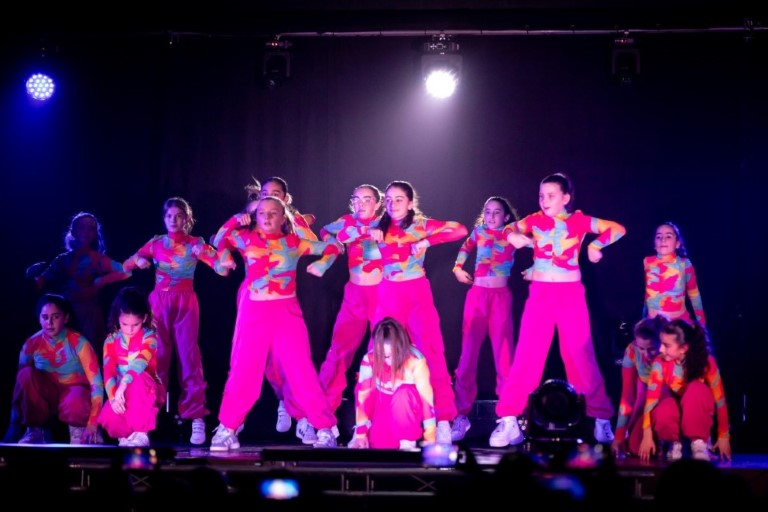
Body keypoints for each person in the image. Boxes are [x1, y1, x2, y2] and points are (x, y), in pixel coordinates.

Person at [491, 172, 625, 447]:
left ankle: (601, 418)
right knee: (527, 356)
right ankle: (509, 419)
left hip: (570, 296)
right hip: (540, 296)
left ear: (565, 198)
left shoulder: (579, 221)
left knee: (581, 356)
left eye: (551, 195)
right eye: (541, 195)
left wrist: (596, 245)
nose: (544, 200)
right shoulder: (534, 220)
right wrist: (513, 235)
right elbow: (506, 229)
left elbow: (618, 228)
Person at [339, 180, 468, 444]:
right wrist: (368, 232)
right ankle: (364, 427)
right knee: (376, 356)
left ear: (410, 203)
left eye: (399, 199)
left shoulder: (420, 225)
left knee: (432, 353)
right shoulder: (379, 226)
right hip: (389, 294)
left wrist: (427, 242)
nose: (393, 204)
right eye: (388, 199)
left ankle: (443, 420)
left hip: (417, 294)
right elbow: (338, 235)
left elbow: (460, 229)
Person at [209, 196, 342, 450]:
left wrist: (323, 265)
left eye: (273, 213)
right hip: (254, 313)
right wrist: (230, 238)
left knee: (301, 371)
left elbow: (334, 247)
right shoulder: (245, 239)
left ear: (283, 218)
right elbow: (220, 239)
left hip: (286, 314)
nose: (267, 217)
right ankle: (227, 428)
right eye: (261, 213)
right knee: (243, 370)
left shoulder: (294, 243)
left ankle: (325, 429)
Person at [122, 197, 232, 445]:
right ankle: (144, 422)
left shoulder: (195, 243)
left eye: (179, 216)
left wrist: (221, 256)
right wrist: (138, 260)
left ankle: (196, 417)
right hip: (158, 304)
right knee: (155, 359)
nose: (173, 220)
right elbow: (127, 264)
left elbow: (222, 270)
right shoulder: (156, 242)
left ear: (187, 219)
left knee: (189, 359)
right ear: (164, 219)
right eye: (169, 216)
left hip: (185, 304)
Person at [307, 184, 384, 423]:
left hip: (381, 295)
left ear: (377, 203)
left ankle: (378, 417)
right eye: (356, 199)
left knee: (382, 354)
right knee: (338, 352)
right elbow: (324, 230)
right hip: (354, 295)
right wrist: (334, 242)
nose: (361, 204)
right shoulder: (346, 221)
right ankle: (322, 417)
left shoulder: (386, 222)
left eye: (367, 199)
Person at [450, 196, 519, 442]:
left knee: (504, 358)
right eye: (487, 212)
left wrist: (537, 269)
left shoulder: (512, 233)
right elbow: (465, 247)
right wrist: (457, 268)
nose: (491, 216)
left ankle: (510, 417)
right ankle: (461, 415)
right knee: (467, 357)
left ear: (506, 216)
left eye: (497, 212)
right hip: (477, 297)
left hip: (500, 299)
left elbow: (538, 244)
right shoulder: (478, 232)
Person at [27, 211, 131, 354]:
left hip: (89, 313)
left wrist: (102, 281)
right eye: (81, 227)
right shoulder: (63, 259)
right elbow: (42, 281)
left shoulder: (98, 259)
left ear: (95, 234)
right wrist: (34, 277)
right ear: (73, 231)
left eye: (91, 228)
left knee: (91, 351)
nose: (86, 231)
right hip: (65, 312)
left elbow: (126, 271)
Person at [13, 293, 105, 445]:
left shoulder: (79, 342)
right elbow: (21, 387)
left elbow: (97, 384)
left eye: (55, 317)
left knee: (76, 395)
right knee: (25, 374)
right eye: (45, 317)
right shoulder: (31, 344)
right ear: (39, 319)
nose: (49, 322)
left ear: (66, 318)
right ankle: (36, 430)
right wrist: (14, 425)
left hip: (74, 399)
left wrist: (93, 422)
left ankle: (80, 430)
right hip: (47, 398)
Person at [638, 319, 731, 462]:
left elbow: (720, 400)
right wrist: (647, 435)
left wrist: (723, 435)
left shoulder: (706, 361)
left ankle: (699, 443)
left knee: (696, 389)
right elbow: (651, 400)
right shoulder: (660, 362)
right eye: (661, 343)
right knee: (665, 406)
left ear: (683, 348)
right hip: (677, 414)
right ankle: (675, 443)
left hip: (696, 412)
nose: (660, 349)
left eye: (666, 345)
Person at [347, 317, 436, 449]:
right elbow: (364, 399)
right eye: (380, 354)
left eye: (389, 355)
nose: (385, 360)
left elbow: (426, 401)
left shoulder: (416, 360)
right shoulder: (369, 359)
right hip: (383, 404)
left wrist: (430, 439)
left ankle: (407, 442)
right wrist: (361, 434)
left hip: (406, 409)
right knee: (362, 387)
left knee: (403, 393)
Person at [98, 286, 161, 447]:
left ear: (144, 318)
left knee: (138, 379)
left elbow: (141, 361)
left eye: (135, 324)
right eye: (124, 324)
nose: (130, 330)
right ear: (117, 319)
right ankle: (127, 435)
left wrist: (125, 382)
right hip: (121, 392)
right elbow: (108, 371)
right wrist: (113, 398)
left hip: (146, 390)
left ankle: (140, 432)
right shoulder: (111, 340)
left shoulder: (150, 337)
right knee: (110, 414)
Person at [610, 315, 668, 459]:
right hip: (648, 402)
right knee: (635, 447)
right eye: (641, 348)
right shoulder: (632, 351)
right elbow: (627, 396)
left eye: (652, 349)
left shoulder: (670, 351)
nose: (646, 354)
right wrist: (619, 436)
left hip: (668, 399)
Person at [644, 221, 706, 328]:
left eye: (668, 236)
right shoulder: (647, 262)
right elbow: (648, 294)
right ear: (654, 244)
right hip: (653, 325)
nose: (663, 239)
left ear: (677, 243)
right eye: (658, 237)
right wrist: (644, 320)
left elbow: (694, 295)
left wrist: (702, 324)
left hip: (677, 326)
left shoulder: (684, 264)